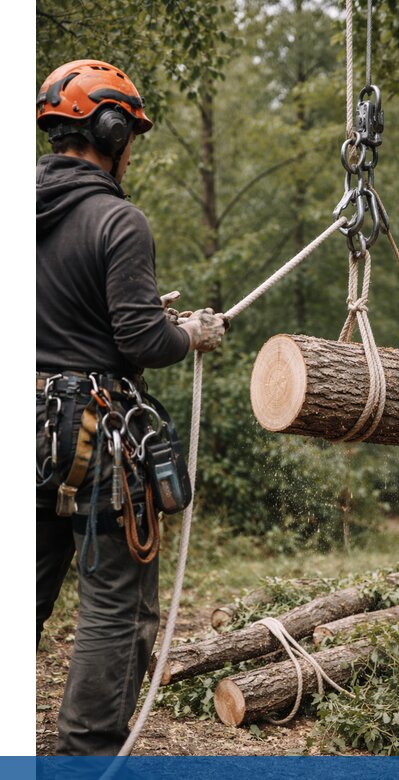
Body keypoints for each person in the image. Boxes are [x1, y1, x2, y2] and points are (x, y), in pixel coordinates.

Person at [35, 59, 226, 756]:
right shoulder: (119, 220)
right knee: (115, 604)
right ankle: (85, 762)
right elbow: (142, 341)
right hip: (96, 436)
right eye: (131, 132)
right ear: (113, 130)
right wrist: (191, 333)